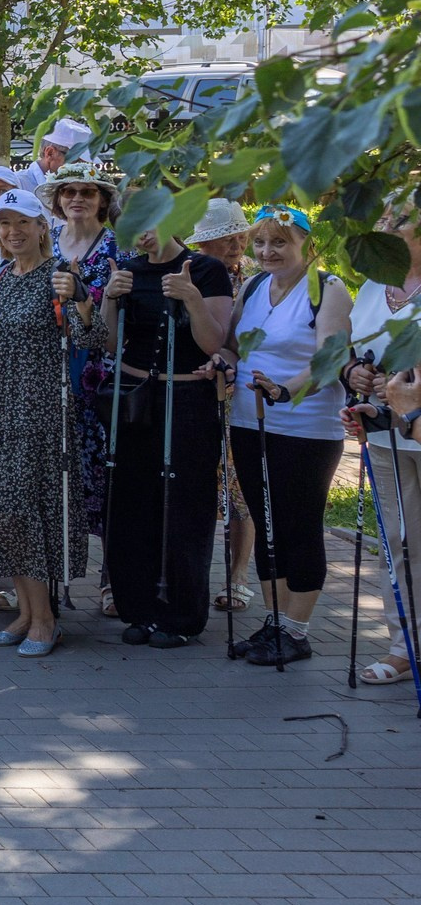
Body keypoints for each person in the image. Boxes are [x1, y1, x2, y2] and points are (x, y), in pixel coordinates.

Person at [0, 189, 97, 657]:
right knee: (4, 517)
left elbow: (92, 339)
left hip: (37, 414)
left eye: (22, 222)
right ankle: (27, 614)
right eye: (3, 223)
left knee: (20, 515)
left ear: (42, 227)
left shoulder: (59, 275)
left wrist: (82, 301)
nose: (12, 231)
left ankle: (45, 620)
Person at [93, 218, 234, 647]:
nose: (141, 232)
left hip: (188, 399)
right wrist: (110, 299)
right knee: (132, 503)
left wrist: (191, 298)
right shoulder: (127, 270)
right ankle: (138, 607)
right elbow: (109, 343)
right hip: (134, 398)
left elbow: (214, 343)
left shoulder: (205, 269)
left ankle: (180, 614)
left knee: (184, 504)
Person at [228, 205, 351, 666]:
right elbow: (232, 345)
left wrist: (284, 390)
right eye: (260, 242)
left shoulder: (328, 289)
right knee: (267, 523)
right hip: (250, 421)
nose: (267, 251)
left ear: (306, 244)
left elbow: (330, 359)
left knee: (298, 524)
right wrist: (220, 362)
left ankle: (297, 631)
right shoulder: (253, 286)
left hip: (305, 427)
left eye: (279, 242)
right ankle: (275, 622)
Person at [346, 194, 421, 682]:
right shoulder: (374, 285)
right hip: (386, 431)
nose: (387, 224)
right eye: (384, 216)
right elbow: (353, 351)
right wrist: (355, 375)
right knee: (398, 539)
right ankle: (404, 646)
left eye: (400, 217)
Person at [44, 162, 123, 548]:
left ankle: (111, 572)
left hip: (99, 371)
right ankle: (52, 570)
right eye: (68, 191)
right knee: (53, 473)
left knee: (103, 473)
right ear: (58, 200)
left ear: (102, 200)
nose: (77, 198)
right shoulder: (44, 242)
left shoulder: (118, 248)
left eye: (87, 192)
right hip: (49, 369)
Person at [191, 196, 259, 609]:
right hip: (197, 388)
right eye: (226, 238)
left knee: (240, 484)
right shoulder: (191, 273)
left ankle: (238, 577)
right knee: (200, 484)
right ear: (204, 243)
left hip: (244, 391)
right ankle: (192, 573)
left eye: (240, 236)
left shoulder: (254, 277)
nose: (236, 245)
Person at [13, 117, 91, 193]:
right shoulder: (17, 185)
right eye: (77, 161)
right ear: (50, 153)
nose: (84, 168)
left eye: (86, 163)